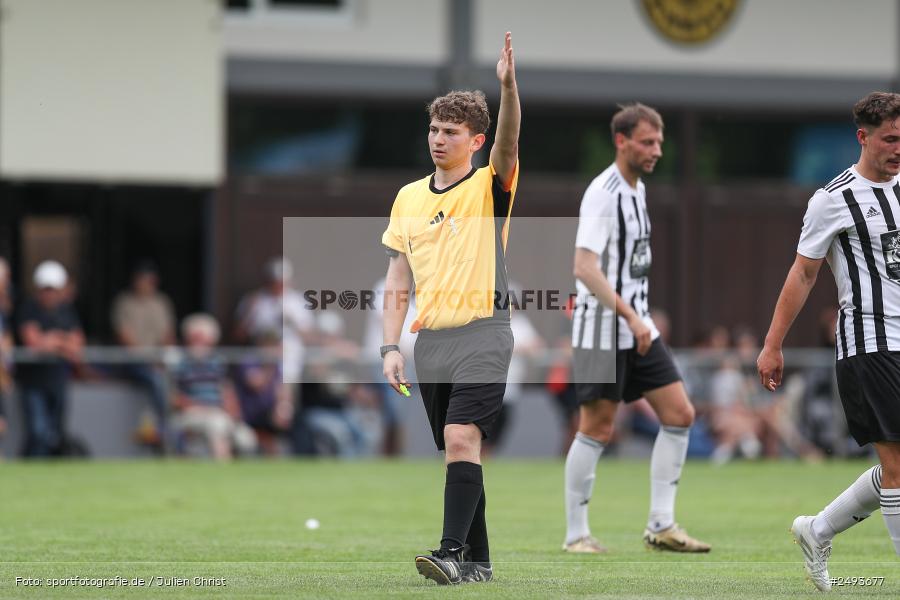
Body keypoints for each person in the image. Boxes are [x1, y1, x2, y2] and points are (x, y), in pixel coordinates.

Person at [380, 32, 519, 585]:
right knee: (462, 452)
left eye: (451, 132)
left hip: (486, 331)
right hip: (431, 342)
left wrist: (509, 87)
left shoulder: (490, 185)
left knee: (462, 438)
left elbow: (510, 143)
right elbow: (398, 274)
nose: (438, 139)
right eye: (434, 129)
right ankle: (480, 561)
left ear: (475, 141)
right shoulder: (409, 196)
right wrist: (390, 346)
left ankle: (450, 555)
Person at [757, 92, 900, 592]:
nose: (898, 149)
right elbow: (802, 274)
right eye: (890, 139)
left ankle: (817, 530)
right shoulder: (833, 199)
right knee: (898, 464)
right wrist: (773, 345)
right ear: (863, 137)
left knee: (896, 464)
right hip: (870, 343)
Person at [564, 103, 710, 554]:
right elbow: (584, 267)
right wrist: (629, 314)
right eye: (647, 142)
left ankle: (661, 525)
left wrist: (638, 317)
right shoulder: (603, 192)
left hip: (638, 327)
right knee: (597, 427)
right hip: (603, 329)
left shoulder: (638, 190)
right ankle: (576, 535)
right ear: (621, 141)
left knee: (680, 413)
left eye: (660, 142)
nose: (656, 150)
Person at [16, 261, 85, 457]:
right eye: (45, 289)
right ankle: (32, 474)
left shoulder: (66, 311)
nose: (49, 294)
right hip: (33, 383)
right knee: (37, 431)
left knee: (55, 433)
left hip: (58, 381)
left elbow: (77, 344)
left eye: (53, 289)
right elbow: (34, 343)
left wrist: (51, 340)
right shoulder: (29, 309)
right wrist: (62, 340)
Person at [171, 313, 256, 460]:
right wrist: (201, 408)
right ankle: (222, 473)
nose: (197, 344)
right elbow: (173, 397)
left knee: (246, 438)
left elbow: (228, 393)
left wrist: (234, 416)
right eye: (194, 338)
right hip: (191, 414)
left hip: (219, 414)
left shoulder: (218, 364)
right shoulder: (179, 364)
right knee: (216, 424)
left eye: (201, 339)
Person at [110, 261, 176, 448]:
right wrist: (146, 358)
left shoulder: (161, 303)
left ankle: (171, 429)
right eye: (142, 279)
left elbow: (167, 334)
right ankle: (163, 429)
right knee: (156, 380)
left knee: (170, 379)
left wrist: (161, 357)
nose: (145, 283)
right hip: (134, 362)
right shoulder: (124, 302)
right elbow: (124, 336)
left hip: (158, 362)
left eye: (149, 280)